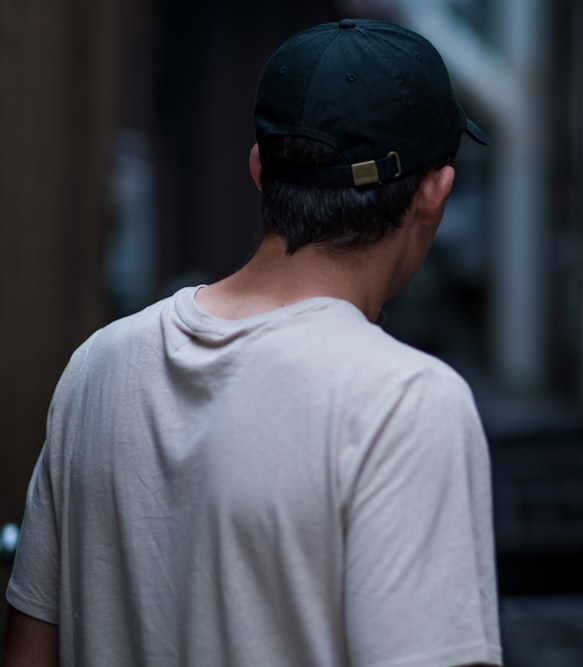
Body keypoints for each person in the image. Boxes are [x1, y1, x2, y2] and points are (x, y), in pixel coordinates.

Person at [4, 18, 502, 667]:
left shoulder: (98, 366)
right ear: (436, 192)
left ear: (260, 169)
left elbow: (27, 651)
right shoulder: (405, 405)